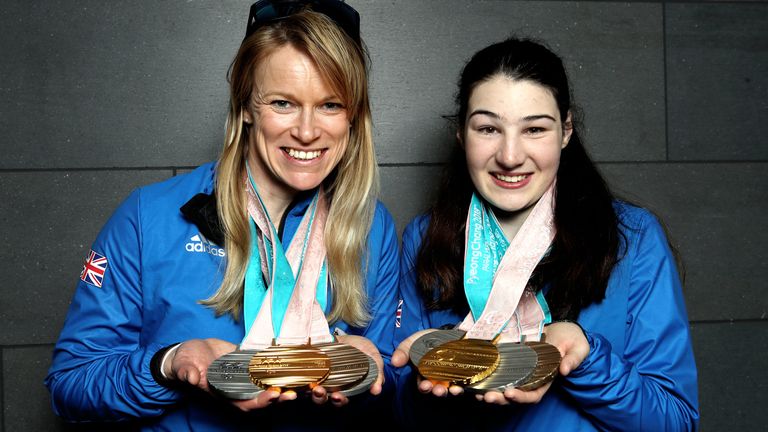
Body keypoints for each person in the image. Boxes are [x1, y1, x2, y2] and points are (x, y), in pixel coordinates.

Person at [45, 1, 399, 430]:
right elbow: (71, 384)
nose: (307, 131)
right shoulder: (148, 216)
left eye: (331, 105)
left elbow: (391, 394)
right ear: (247, 105)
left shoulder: (372, 226)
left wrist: (372, 377)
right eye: (283, 103)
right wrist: (167, 364)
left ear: (354, 116)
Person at [392, 37, 699, 431]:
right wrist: (431, 377)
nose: (510, 155)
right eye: (488, 128)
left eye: (535, 129)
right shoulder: (425, 237)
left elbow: (676, 421)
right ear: (461, 134)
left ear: (566, 131)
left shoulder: (632, 238)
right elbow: (399, 413)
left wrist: (586, 360)